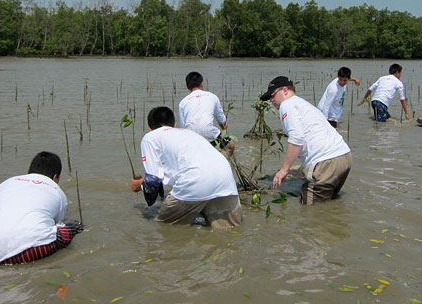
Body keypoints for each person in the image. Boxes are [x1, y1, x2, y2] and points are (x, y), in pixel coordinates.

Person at [131, 107, 242, 228]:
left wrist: (140, 185)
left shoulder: (150, 137)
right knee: (229, 233)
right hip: (226, 179)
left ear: (150, 129)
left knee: (164, 229)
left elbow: (153, 180)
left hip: (195, 180)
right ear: (174, 124)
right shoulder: (189, 133)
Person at [0, 152, 83, 265]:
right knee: (71, 227)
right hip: (30, 252)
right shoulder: (57, 190)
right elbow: (57, 223)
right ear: (56, 177)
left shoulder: (7, 183)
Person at [260, 76, 352, 204]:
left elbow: (296, 138)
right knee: (328, 206)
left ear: (285, 90)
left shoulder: (286, 105)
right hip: (344, 157)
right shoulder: (303, 104)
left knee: (310, 212)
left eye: (273, 95)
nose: (271, 100)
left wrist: (284, 170)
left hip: (326, 162)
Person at [178, 72, 234, 153]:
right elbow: (223, 122)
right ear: (202, 83)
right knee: (231, 145)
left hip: (190, 134)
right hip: (208, 131)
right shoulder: (212, 97)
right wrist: (223, 130)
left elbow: (183, 128)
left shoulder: (182, 102)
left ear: (187, 86)